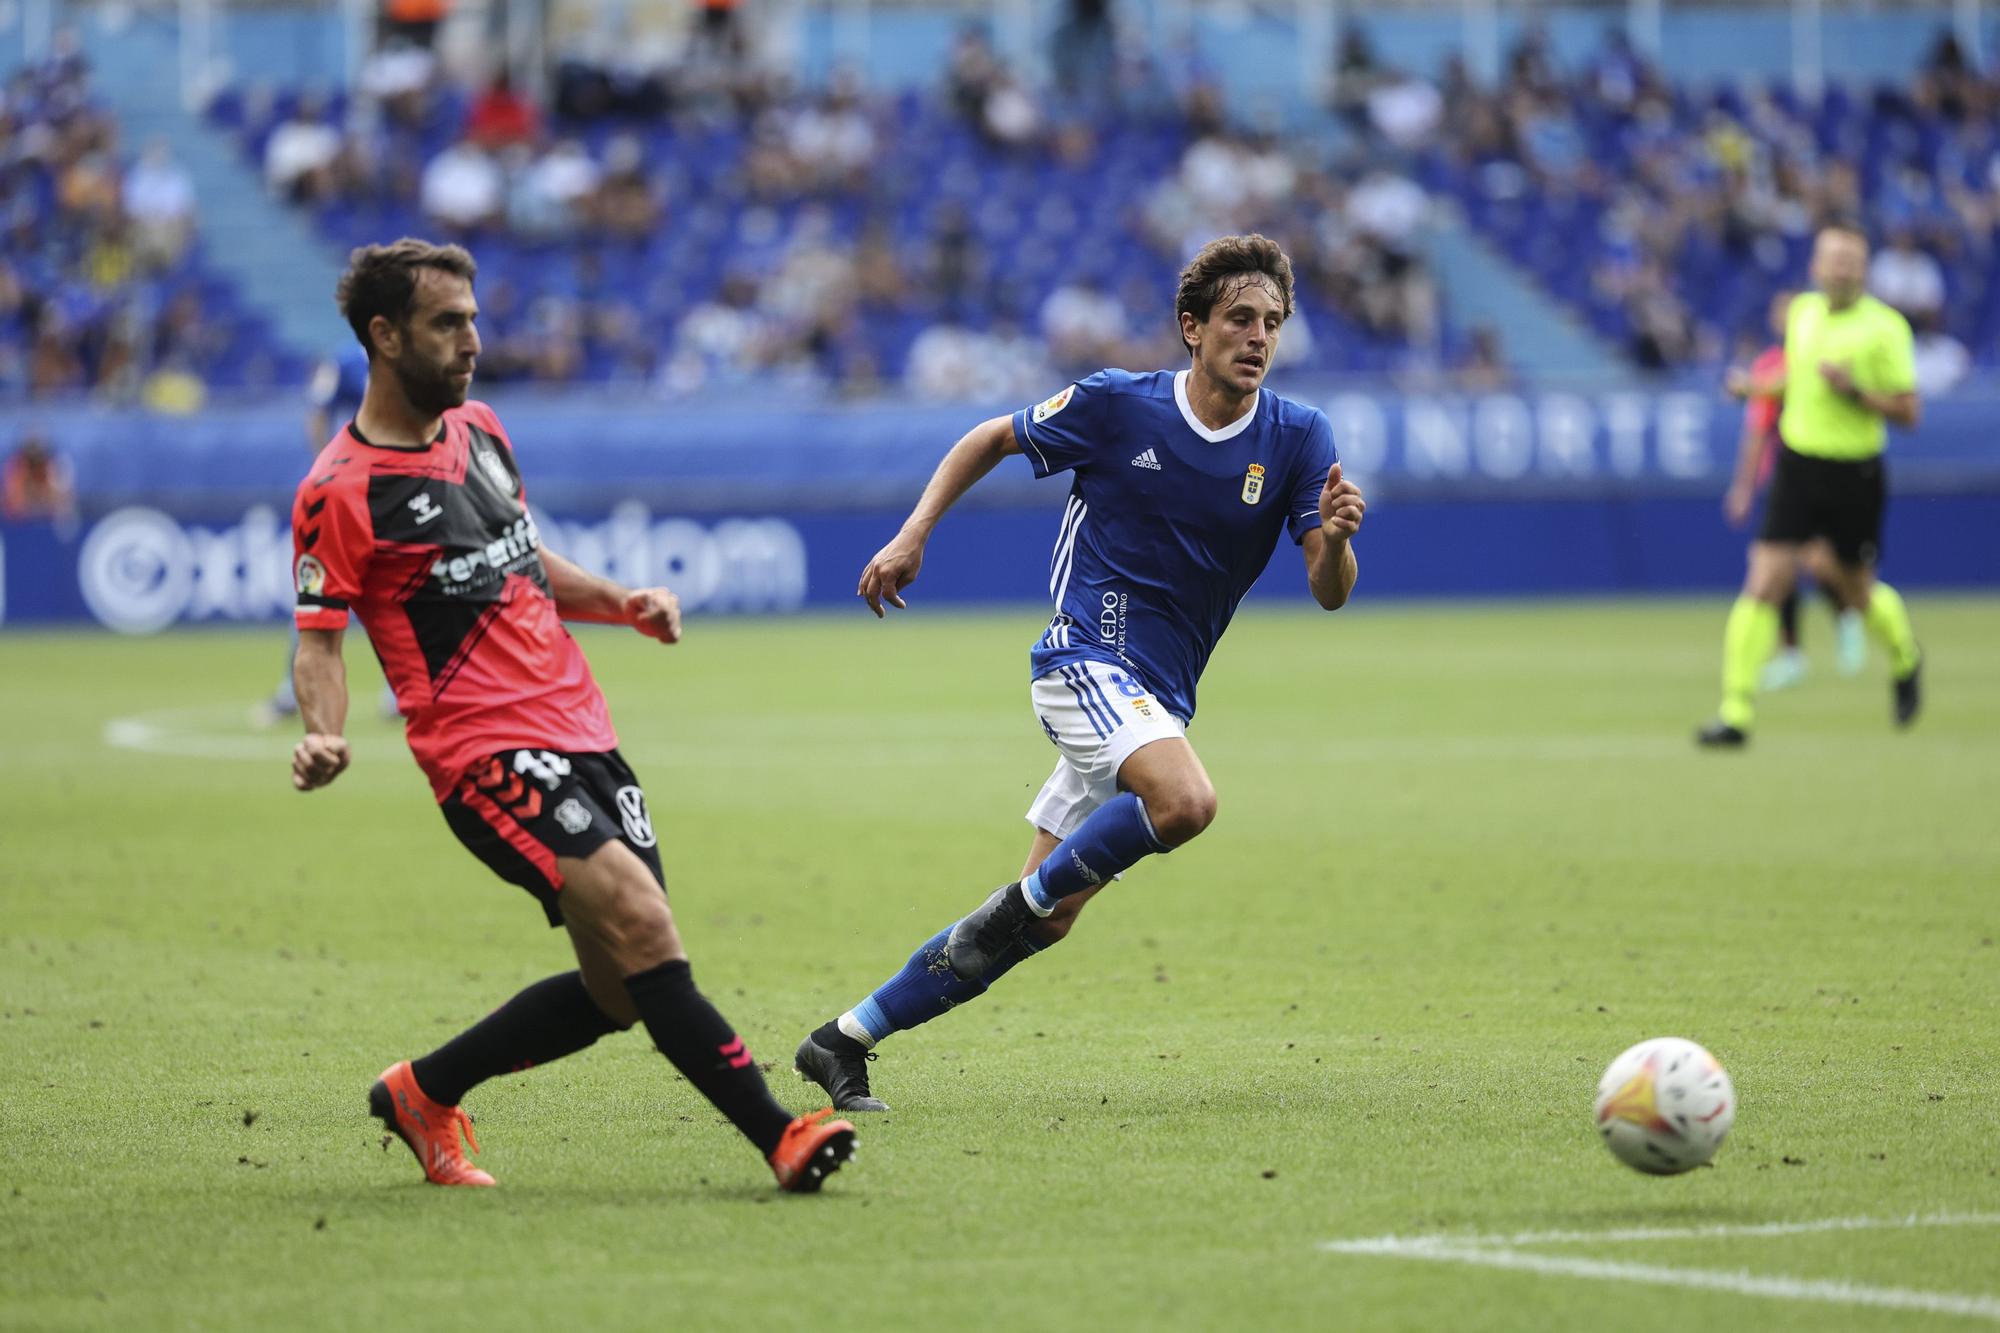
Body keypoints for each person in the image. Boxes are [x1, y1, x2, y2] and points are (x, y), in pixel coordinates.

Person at [288, 239, 856, 1191]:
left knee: (619, 991)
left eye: (473, 317)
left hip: (586, 733)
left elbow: (522, 558)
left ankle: (424, 1090)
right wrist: (324, 728)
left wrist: (620, 599)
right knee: (645, 925)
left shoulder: (483, 428)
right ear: (383, 337)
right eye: (447, 322)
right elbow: (318, 639)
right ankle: (782, 1137)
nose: (473, 338)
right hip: (483, 753)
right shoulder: (339, 491)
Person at [794, 234, 1366, 1112]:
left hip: (1154, 700)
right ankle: (1017, 901)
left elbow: (1328, 590)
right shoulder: (1116, 405)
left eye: (1273, 323)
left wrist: (1339, 537)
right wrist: (913, 535)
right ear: (1191, 326)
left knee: (1047, 921)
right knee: (1186, 803)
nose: (1258, 337)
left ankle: (844, 1039)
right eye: (1240, 318)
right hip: (1082, 661)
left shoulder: (1297, 438)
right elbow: (991, 437)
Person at [1700, 225, 1923, 747]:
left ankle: (1906, 657)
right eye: (1833, 259)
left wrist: (1856, 392)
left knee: (1854, 589)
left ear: (1864, 270)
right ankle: (1735, 712)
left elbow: (1909, 411)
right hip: (1799, 466)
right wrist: (1753, 387)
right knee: (1764, 581)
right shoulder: (1803, 314)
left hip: (1855, 472)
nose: (1842, 268)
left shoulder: (1885, 329)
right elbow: (1797, 378)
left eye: (1851, 260)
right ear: (1816, 268)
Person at [1720, 291, 1863, 692]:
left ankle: (1846, 614)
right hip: (1784, 480)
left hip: (1826, 475)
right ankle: (1792, 652)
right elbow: (1757, 432)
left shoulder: (1824, 361)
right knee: (1775, 569)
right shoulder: (1771, 366)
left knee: (1819, 562)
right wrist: (1744, 487)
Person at [256, 346, 400, 727]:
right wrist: (329, 466)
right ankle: (293, 691)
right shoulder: (347, 363)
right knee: (318, 593)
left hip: (390, 492)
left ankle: (401, 692)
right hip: (347, 495)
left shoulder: (405, 360)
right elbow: (317, 413)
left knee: (397, 592)